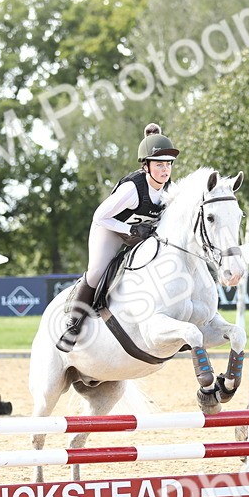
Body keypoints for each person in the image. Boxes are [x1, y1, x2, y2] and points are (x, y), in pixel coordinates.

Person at [56, 123, 177, 352]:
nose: (165, 169)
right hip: (109, 229)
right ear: (146, 166)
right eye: (159, 164)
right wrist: (131, 231)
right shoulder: (132, 188)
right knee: (97, 270)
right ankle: (73, 323)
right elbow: (100, 216)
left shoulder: (169, 188)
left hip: (140, 234)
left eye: (168, 164)